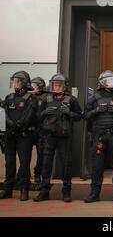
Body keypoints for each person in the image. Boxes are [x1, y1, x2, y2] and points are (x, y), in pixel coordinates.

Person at [34, 73, 82, 202]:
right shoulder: (45, 98)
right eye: (55, 85)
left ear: (64, 86)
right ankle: (44, 192)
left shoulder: (71, 99)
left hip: (64, 137)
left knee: (66, 164)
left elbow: (79, 116)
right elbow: (37, 117)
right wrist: (44, 112)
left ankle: (66, 192)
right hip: (48, 136)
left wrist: (70, 113)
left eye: (59, 85)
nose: (56, 87)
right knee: (46, 164)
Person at [83, 70, 113, 204]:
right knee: (97, 165)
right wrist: (96, 111)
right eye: (109, 81)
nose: (112, 84)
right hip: (99, 136)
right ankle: (94, 193)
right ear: (102, 83)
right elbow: (84, 115)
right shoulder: (94, 98)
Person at [0, 71, 37, 201]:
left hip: (24, 136)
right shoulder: (9, 97)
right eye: (14, 81)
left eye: (17, 81)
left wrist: (17, 126)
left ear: (24, 83)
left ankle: (24, 190)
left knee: (24, 163)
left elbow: (28, 116)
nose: (15, 84)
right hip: (10, 136)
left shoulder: (31, 98)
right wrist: (10, 124)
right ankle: (7, 190)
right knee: (9, 163)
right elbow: (3, 113)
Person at [30, 77, 47, 190]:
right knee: (25, 156)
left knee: (41, 155)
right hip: (29, 129)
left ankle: (37, 176)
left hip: (41, 130)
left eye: (35, 86)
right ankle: (23, 178)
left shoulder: (46, 97)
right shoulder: (28, 97)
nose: (33, 88)